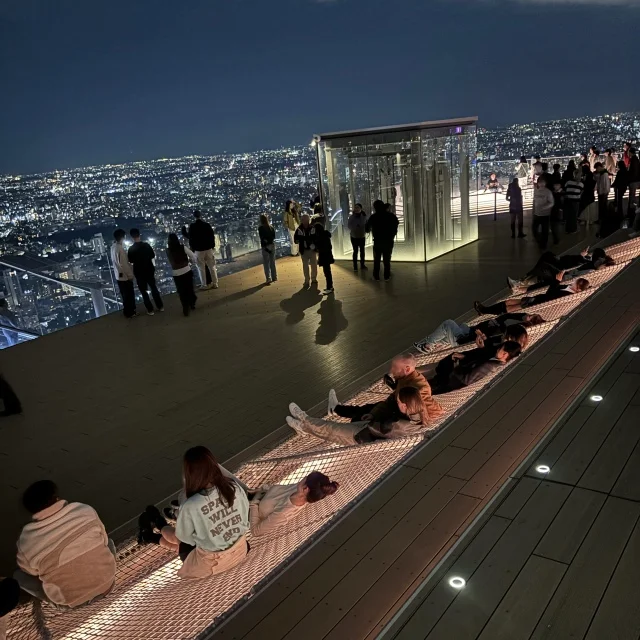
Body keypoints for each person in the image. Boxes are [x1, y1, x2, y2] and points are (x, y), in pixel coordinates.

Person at [14, 480, 116, 608]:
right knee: (109, 543)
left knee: (18, 576)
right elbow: (105, 540)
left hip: (70, 601)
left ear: (32, 511)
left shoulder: (26, 540)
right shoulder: (84, 510)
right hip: (107, 582)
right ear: (56, 498)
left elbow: (29, 571)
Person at [174, 446, 250, 579]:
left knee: (181, 541)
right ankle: (152, 534)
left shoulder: (191, 505)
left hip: (212, 564)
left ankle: (159, 525)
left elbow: (184, 538)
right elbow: (245, 514)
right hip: (241, 550)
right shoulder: (233, 487)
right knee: (198, 537)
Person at [286, 386, 430, 446]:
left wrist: (372, 418)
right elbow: (386, 409)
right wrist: (372, 415)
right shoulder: (415, 414)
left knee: (329, 429)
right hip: (371, 429)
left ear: (405, 405)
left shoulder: (398, 424)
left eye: (399, 402)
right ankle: (304, 427)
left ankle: (303, 419)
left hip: (362, 437)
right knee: (329, 429)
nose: (396, 403)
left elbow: (385, 428)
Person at [327, 353, 444, 423]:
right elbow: (394, 397)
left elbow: (435, 411)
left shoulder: (418, 388)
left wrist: (416, 423)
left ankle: (336, 410)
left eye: (394, 368)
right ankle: (337, 409)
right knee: (368, 409)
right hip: (395, 407)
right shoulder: (405, 378)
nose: (391, 371)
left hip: (398, 415)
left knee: (364, 413)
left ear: (407, 369)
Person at [249, 472, 339, 537]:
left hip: (246, 513)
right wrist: (260, 492)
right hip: (252, 497)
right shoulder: (297, 489)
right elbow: (274, 492)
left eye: (306, 478)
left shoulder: (284, 513)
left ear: (305, 489)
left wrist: (254, 503)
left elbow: (256, 531)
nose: (304, 477)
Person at [414, 313, 543, 353]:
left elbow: (486, 344)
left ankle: (428, 345)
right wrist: (523, 316)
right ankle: (436, 342)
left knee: (448, 323)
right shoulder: (515, 331)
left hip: (465, 342)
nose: (528, 316)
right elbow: (505, 316)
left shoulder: (505, 336)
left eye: (531, 317)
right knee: (462, 326)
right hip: (470, 334)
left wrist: (481, 335)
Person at [428, 341, 522, 395]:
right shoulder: (500, 364)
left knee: (450, 360)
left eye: (500, 348)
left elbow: (466, 380)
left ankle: (433, 384)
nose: (497, 349)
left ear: (505, 354)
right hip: (459, 380)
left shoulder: (489, 366)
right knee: (453, 358)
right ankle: (434, 381)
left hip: (454, 383)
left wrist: (456, 365)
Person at [475, 277, 590, 315]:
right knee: (509, 302)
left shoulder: (567, 294)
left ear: (578, 289)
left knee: (510, 308)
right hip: (538, 299)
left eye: (576, 283)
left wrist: (556, 282)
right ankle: (486, 310)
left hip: (537, 303)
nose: (574, 282)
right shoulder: (568, 288)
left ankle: (485, 311)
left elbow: (550, 294)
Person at [127, 229, 163, 316]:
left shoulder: (131, 249)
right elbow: (152, 255)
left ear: (132, 237)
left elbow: (130, 260)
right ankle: (160, 306)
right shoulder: (146, 245)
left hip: (139, 272)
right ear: (139, 235)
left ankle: (150, 310)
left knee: (144, 291)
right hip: (149, 269)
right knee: (153, 288)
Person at [366, 200, 399, 281]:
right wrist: (392, 235)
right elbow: (396, 225)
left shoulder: (374, 216)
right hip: (388, 240)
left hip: (377, 241)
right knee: (387, 259)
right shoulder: (391, 216)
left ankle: (376, 276)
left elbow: (367, 228)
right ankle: (387, 276)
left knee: (377, 259)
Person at [166, 233, 197, 316]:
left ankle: (185, 308)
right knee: (189, 288)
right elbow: (193, 256)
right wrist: (191, 262)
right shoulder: (182, 247)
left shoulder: (168, 250)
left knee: (181, 291)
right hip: (186, 270)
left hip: (176, 273)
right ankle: (192, 304)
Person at [188, 211, 218, 290]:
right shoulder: (206, 225)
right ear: (200, 215)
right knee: (212, 267)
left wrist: (193, 249)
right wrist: (212, 246)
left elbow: (191, 239)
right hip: (208, 249)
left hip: (199, 250)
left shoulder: (192, 227)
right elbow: (212, 236)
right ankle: (215, 283)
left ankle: (204, 285)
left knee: (201, 268)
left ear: (194, 216)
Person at [110, 229, 136, 318]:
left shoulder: (113, 247)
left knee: (124, 295)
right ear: (123, 237)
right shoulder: (120, 249)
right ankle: (130, 312)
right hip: (124, 276)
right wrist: (130, 275)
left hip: (118, 275)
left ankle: (127, 311)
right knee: (129, 294)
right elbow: (124, 264)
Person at [294, 214, 318, 288]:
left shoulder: (312, 228)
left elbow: (315, 237)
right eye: (303, 220)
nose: (303, 221)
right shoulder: (299, 229)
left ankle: (313, 279)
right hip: (304, 250)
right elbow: (296, 240)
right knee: (305, 266)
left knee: (313, 265)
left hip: (311, 249)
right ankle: (307, 280)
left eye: (305, 219)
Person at [532, 177, 554, 249]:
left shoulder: (548, 192)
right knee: (534, 229)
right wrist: (533, 210)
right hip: (537, 214)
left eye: (542, 182)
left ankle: (543, 245)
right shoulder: (536, 190)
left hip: (545, 214)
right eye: (539, 182)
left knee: (545, 231)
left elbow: (551, 202)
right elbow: (534, 201)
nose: (541, 184)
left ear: (545, 183)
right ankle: (539, 241)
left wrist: (544, 207)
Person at [314, 222, 334, 295]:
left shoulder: (320, 237)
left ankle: (329, 287)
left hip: (324, 256)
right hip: (328, 256)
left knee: (327, 272)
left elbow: (320, 247)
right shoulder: (326, 235)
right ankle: (330, 286)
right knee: (328, 272)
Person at [258, 214, 277, 285]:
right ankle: (274, 277)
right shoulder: (271, 227)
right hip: (272, 245)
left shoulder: (260, 228)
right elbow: (274, 237)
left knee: (266, 263)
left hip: (265, 247)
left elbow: (262, 238)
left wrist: (266, 244)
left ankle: (268, 278)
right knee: (272, 262)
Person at [563, 168, 583, 234]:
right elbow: (580, 192)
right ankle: (573, 229)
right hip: (576, 201)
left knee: (568, 215)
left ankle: (567, 229)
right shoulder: (581, 184)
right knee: (574, 216)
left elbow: (565, 190)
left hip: (568, 200)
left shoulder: (568, 182)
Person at [348, 204, 368, 270]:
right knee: (355, 251)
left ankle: (362, 265)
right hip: (354, 236)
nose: (356, 209)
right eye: (355, 207)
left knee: (362, 251)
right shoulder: (351, 217)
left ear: (361, 208)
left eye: (358, 207)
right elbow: (349, 226)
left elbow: (365, 224)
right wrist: (355, 227)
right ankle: (355, 266)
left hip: (362, 236)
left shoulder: (364, 216)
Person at [627, 148, 640, 220]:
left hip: (633, 181)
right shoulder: (636, 159)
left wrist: (630, 179)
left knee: (632, 196)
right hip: (635, 180)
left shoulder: (633, 160)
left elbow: (634, 171)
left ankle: (632, 212)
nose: (628, 154)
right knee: (632, 196)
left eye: (629, 152)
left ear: (631, 153)